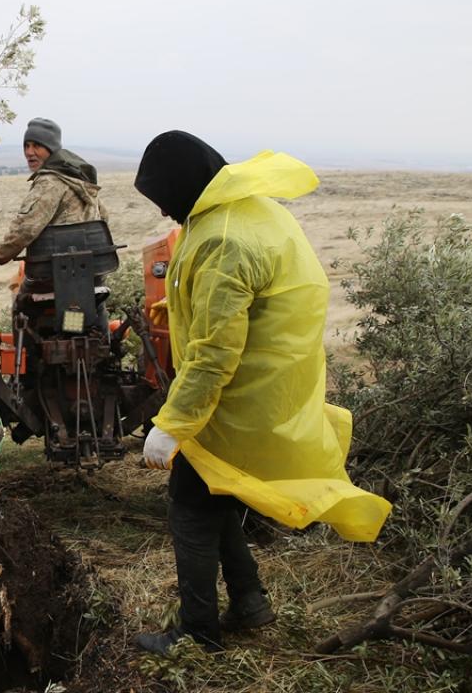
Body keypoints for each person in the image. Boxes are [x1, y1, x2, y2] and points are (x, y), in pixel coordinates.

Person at [131, 131, 391, 654]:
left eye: (163, 199)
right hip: (266, 391)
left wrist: (172, 425)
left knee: (190, 504)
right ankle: (251, 603)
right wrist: (179, 308)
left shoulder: (223, 239)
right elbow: (237, 308)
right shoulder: (246, 210)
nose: (164, 213)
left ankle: (198, 634)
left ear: (182, 188)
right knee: (215, 492)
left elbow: (214, 354)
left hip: (236, 400)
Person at [0, 117, 109, 265]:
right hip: (93, 267)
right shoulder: (77, 177)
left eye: (37, 146)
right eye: (26, 146)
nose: (29, 152)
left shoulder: (50, 182)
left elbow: (27, 228)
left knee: (22, 288)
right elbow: (103, 218)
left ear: (50, 148)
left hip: (56, 270)